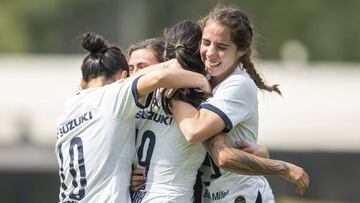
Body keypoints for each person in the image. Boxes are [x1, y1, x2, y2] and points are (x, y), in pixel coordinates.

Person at [130, 20, 309, 203]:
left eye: (221, 46)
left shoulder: (197, 96)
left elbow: (217, 151)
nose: (211, 53)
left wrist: (276, 164)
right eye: (206, 43)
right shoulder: (182, 93)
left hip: (240, 197)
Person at [55, 32, 211, 203]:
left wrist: (126, 173)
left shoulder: (68, 110)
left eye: (141, 67)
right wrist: (201, 80)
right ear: (123, 78)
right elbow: (161, 76)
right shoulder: (113, 97)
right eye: (131, 70)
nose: (135, 74)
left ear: (83, 82)